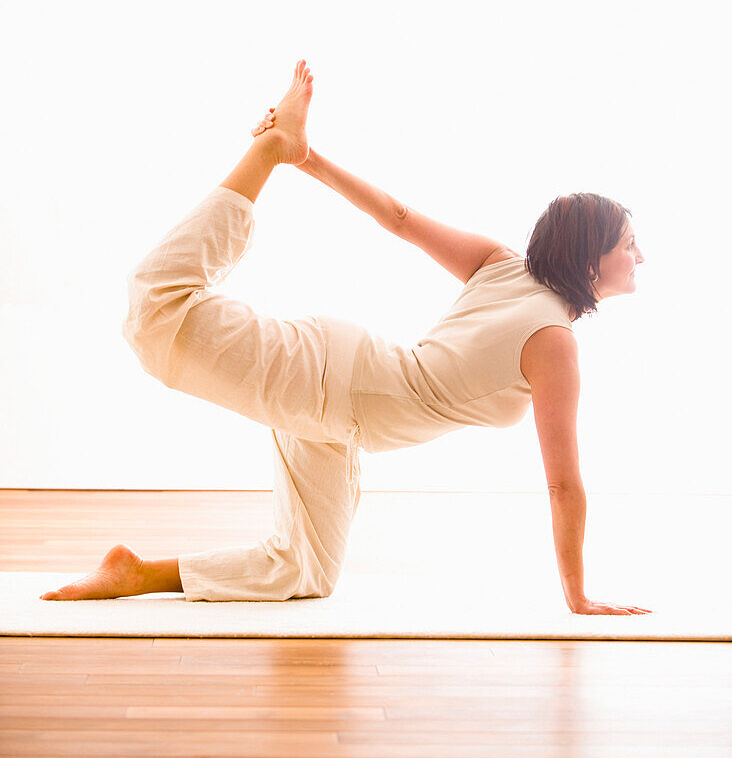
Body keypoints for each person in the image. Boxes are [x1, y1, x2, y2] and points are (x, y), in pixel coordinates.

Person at [40, 61, 651, 615]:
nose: (640, 257)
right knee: (154, 316)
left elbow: (400, 219)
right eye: (628, 244)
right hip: (334, 383)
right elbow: (564, 485)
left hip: (341, 410)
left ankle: (134, 573)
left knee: (302, 570)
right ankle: (264, 154)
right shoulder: (552, 340)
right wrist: (578, 596)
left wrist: (311, 160)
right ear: (590, 258)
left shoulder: (504, 266)